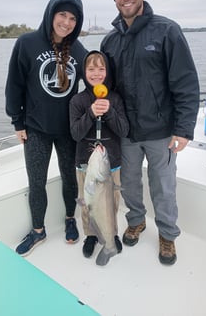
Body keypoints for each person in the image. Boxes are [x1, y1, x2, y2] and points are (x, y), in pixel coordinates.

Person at [101, 0, 200, 265]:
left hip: (161, 131)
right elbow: (104, 86)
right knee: (129, 184)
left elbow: (185, 82)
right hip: (127, 132)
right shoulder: (109, 41)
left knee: (163, 187)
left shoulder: (167, 30)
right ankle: (136, 220)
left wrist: (183, 129)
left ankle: (168, 235)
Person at [5, 0, 88, 256]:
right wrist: (17, 122)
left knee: (69, 179)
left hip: (67, 130)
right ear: (51, 13)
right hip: (36, 129)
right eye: (62, 14)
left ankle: (70, 219)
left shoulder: (78, 49)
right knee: (36, 182)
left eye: (73, 18)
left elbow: (97, 77)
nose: (66, 22)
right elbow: (14, 85)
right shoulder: (27, 43)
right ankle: (38, 231)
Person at [69, 50, 129, 258]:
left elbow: (124, 130)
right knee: (87, 203)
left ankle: (111, 234)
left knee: (111, 202)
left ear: (107, 71)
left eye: (101, 69)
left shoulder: (116, 98)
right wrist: (91, 113)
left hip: (110, 164)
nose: (96, 73)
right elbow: (75, 133)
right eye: (91, 69)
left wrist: (110, 112)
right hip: (85, 165)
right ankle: (91, 235)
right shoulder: (78, 100)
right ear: (84, 72)